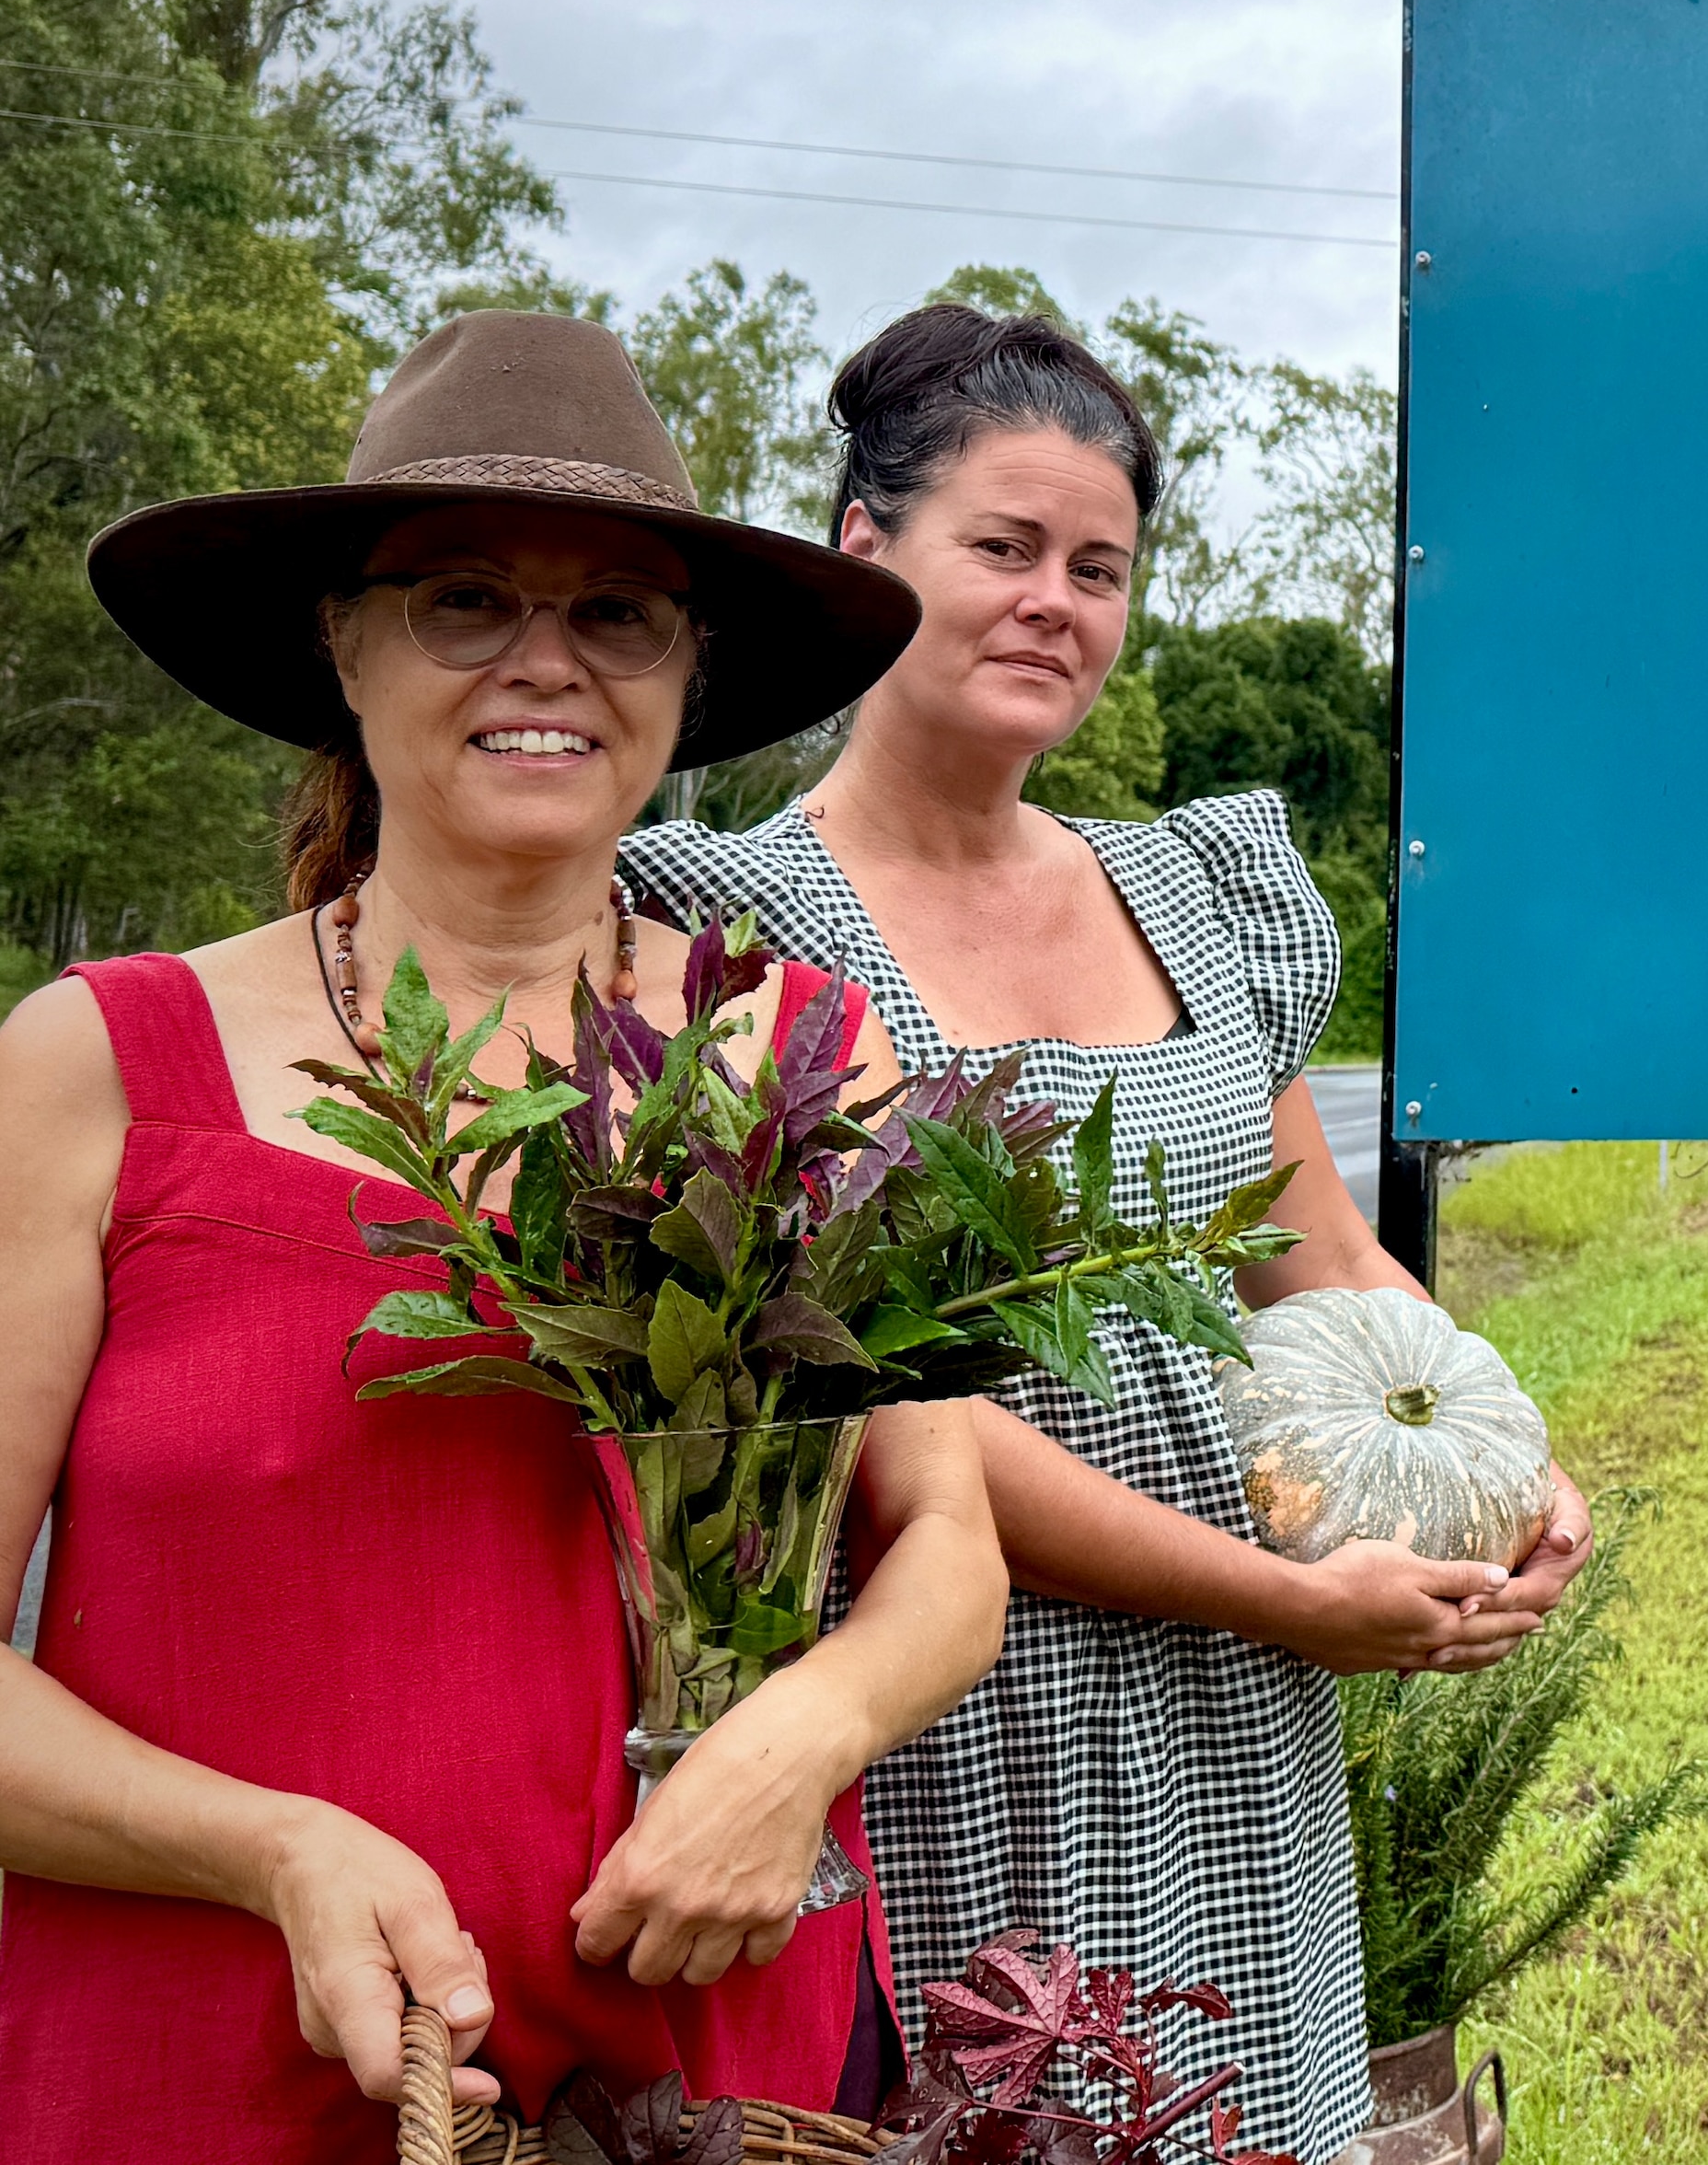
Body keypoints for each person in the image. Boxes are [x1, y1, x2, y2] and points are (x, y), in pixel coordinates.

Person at [0, 312, 1004, 2152]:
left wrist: (809, 1733)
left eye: (618, 611)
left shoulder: (801, 1060)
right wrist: (269, 1849)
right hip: (203, 2069)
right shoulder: (95, 1071)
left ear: (689, 670)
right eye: (463, 598)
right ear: (342, 640)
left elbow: (947, 1539)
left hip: (713, 2084)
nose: (546, 661)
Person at [619, 302, 1592, 2156]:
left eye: (1097, 568)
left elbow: (1320, 1261)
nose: (1051, 603)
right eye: (1001, 546)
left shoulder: (1191, 889)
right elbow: (870, 1414)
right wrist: (1284, 1594)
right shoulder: (725, 926)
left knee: (1240, 2105)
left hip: (1248, 1713)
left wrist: (1502, 1447)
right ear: (865, 547)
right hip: (953, 1699)